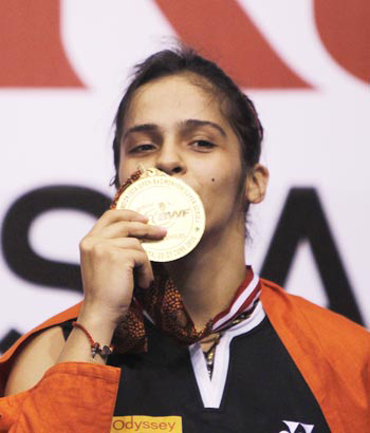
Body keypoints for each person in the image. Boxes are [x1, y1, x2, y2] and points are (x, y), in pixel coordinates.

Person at [0, 47, 368, 433]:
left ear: (254, 181)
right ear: (120, 182)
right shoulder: (54, 353)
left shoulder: (347, 358)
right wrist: (98, 317)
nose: (167, 160)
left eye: (202, 142)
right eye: (143, 146)